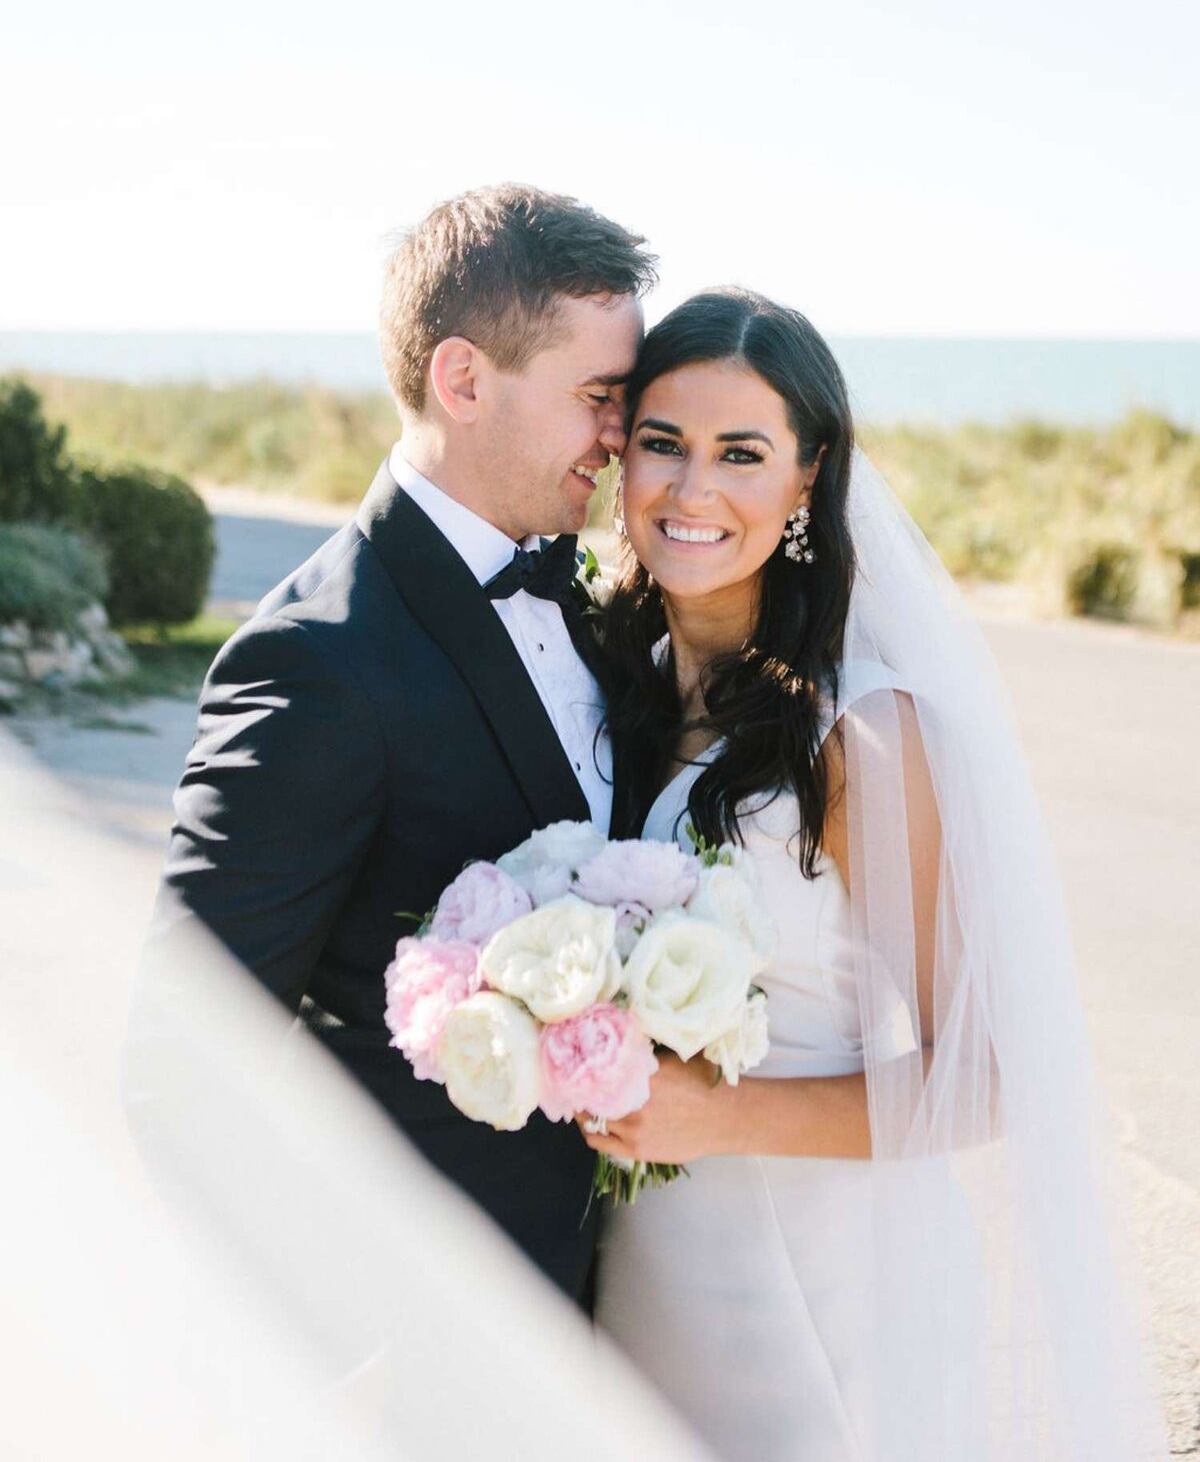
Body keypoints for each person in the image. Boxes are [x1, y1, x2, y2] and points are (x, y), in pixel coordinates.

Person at [589, 290, 1163, 1461]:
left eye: (741, 454)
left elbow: (988, 1073)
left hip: (807, 1280)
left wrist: (713, 1114)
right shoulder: (609, 681)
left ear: (807, 484)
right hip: (630, 1262)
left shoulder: (860, 730)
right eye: (665, 443)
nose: (692, 491)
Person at [139, 184, 654, 1306]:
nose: (623, 439)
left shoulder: (593, 597)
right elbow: (187, 1046)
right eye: (599, 397)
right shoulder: (317, 662)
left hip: (625, 1300)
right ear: (464, 380)